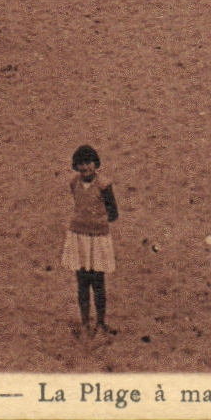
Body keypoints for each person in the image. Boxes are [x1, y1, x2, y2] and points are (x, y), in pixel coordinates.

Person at [63, 144, 119, 336]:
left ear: (96, 164)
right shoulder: (73, 183)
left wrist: (96, 222)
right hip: (78, 237)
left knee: (98, 282)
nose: (85, 167)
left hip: (97, 239)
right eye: (81, 164)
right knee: (82, 282)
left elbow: (113, 213)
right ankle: (85, 321)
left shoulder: (104, 185)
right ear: (76, 166)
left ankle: (101, 322)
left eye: (88, 163)